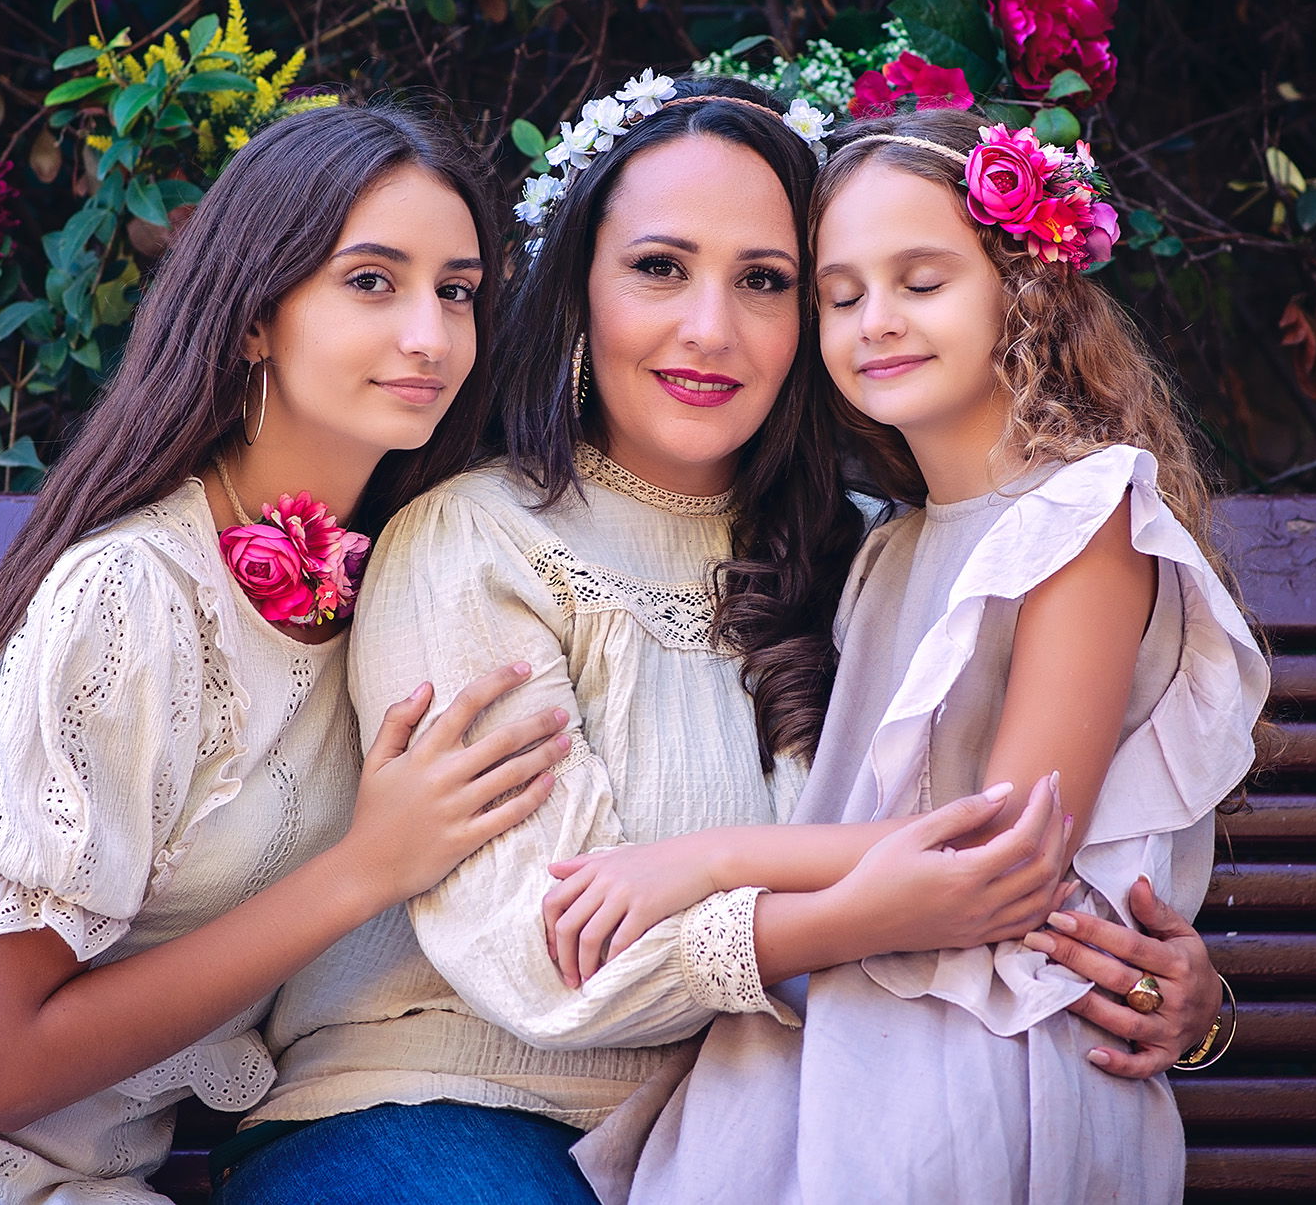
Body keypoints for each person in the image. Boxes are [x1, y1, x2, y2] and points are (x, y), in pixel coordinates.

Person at [216, 78, 1231, 1205]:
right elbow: (546, 962)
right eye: (657, 267)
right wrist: (860, 913)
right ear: (577, 292)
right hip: (450, 1106)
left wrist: (1168, 999)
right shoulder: (478, 542)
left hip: (768, 1120)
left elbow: (1017, 847)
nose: (710, 327)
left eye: (764, 281)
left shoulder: (870, 555)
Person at [0, 105, 570, 1204]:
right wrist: (364, 867)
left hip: (86, 1170)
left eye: (455, 290)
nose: (428, 334)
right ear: (251, 321)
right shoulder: (131, 593)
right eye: (369, 281)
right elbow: (3, 1067)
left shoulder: (409, 581)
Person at [543, 108, 1269, 1203]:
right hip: (841, 1016)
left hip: (988, 1045)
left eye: (920, 282)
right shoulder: (885, 543)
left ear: (1020, 292)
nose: (874, 322)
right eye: (839, 296)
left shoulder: (1085, 518)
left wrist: (700, 861)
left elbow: (1002, 845)